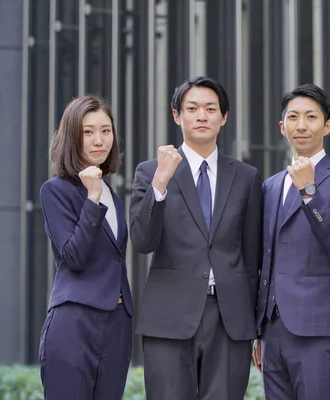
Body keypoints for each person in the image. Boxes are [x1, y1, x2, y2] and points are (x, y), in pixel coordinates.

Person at [129, 76, 263, 400]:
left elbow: (253, 256)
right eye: (192, 108)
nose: (202, 115)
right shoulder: (151, 171)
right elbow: (142, 241)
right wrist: (161, 181)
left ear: (224, 117)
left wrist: (257, 328)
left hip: (230, 319)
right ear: (177, 115)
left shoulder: (246, 177)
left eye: (210, 108)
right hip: (169, 316)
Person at [252, 83, 330, 399]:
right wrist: (259, 331)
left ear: (327, 125)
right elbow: (265, 257)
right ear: (282, 126)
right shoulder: (271, 186)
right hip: (273, 330)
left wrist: (309, 192)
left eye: (311, 117)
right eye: (294, 117)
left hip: (317, 330)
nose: (302, 125)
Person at [38, 95, 133, 399]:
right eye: (88, 131)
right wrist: (91, 198)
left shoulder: (114, 198)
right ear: (72, 137)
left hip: (117, 325)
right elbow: (74, 256)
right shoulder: (56, 191)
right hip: (74, 323)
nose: (99, 140)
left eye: (106, 130)